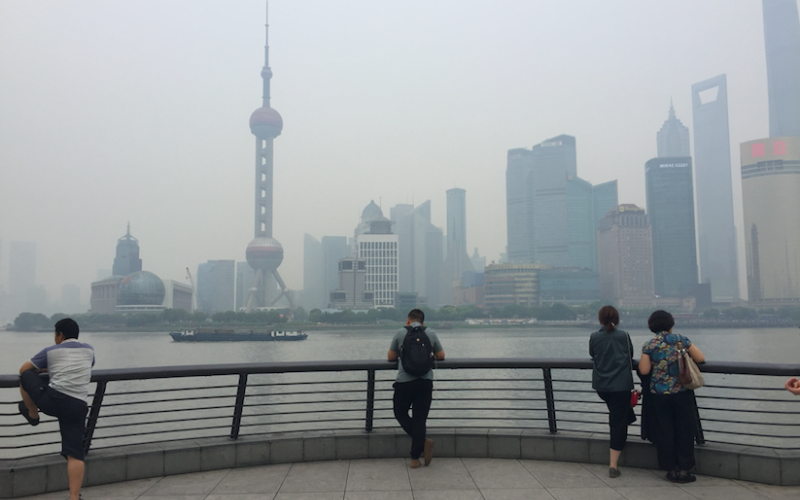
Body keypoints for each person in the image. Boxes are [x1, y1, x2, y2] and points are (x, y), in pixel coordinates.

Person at [19, 318, 95, 500]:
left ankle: (33, 414)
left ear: (60, 335)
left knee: (26, 376)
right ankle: (74, 497)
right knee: (75, 454)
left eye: (55, 334)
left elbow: (24, 369)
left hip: (54, 401)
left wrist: (44, 369)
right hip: (78, 406)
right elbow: (85, 366)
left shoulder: (51, 351)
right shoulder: (90, 350)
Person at [638, 310, 705, 484]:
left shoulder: (650, 345)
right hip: (681, 392)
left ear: (651, 326)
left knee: (665, 431)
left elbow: (644, 370)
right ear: (671, 324)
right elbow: (700, 358)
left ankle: (671, 469)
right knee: (684, 430)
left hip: (658, 395)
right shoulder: (681, 340)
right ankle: (684, 470)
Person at [388, 308, 445, 469]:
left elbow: (391, 357)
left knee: (400, 413)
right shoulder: (430, 333)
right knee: (420, 419)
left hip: (404, 382)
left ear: (408, 320)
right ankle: (414, 458)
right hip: (425, 382)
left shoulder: (400, 333)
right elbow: (441, 355)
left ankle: (422, 443)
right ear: (422, 322)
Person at [589, 305, 636, 478]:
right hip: (621, 386)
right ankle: (613, 465)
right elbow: (630, 355)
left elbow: (593, 354)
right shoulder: (623, 335)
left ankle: (627, 416)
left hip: (602, 387)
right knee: (618, 424)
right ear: (617, 319)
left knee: (619, 414)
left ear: (600, 319)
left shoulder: (594, 336)